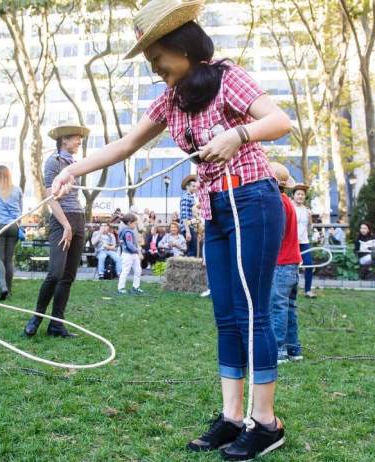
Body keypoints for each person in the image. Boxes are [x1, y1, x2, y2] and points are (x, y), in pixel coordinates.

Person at [49, 2, 292, 457]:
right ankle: (232, 417)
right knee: (226, 316)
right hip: (216, 211)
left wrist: (236, 136)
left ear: (181, 47)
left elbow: (279, 122)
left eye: (156, 56)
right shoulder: (170, 99)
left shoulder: (226, 76)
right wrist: (71, 171)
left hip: (253, 199)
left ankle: (266, 423)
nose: (154, 66)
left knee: (253, 313)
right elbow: (124, 145)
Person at [23, 123, 91, 339]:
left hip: (78, 218)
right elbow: (50, 197)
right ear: (64, 140)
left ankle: (56, 325)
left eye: (80, 138)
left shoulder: (74, 163)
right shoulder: (54, 161)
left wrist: (76, 224)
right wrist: (66, 225)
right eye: (76, 138)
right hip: (62, 221)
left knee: (68, 277)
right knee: (55, 273)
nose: (79, 141)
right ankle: (36, 318)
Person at [267, 162, 302, 365]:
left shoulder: (277, 203)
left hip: (280, 263)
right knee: (289, 307)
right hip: (291, 262)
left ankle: (278, 351)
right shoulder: (286, 201)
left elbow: (276, 235)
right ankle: (293, 349)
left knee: (277, 307)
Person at [0, 165, 23, 300]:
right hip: (13, 226)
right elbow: (21, 209)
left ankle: (2, 286)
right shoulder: (17, 190)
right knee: (9, 259)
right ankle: (9, 290)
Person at [292, 183, 315, 298]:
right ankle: (291, 290)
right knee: (292, 267)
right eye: (298, 194)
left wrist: (310, 217)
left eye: (302, 194)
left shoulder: (306, 210)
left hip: (304, 242)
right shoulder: (290, 208)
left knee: (309, 265)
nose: (300, 196)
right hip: (292, 242)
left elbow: (310, 227)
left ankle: (308, 290)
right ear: (294, 196)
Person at [117, 213, 144, 295]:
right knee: (125, 271)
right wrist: (138, 252)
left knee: (138, 270)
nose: (136, 225)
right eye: (135, 223)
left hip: (133, 254)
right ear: (129, 223)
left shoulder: (128, 230)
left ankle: (136, 286)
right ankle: (121, 287)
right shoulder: (127, 232)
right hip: (128, 254)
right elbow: (129, 245)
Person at [180, 174, 199, 256]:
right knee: (191, 252)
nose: (195, 188)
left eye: (196, 186)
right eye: (193, 186)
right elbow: (184, 215)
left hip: (192, 227)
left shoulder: (191, 197)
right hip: (188, 228)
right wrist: (187, 231)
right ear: (188, 187)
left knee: (193, 251)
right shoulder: (185, 197)